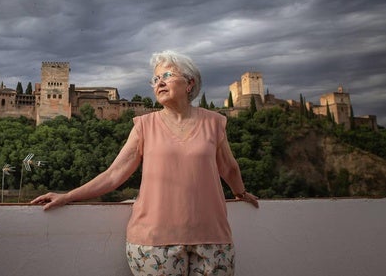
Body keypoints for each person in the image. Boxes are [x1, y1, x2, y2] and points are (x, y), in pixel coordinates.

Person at [31, 50, 259, 276]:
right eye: (156, 79)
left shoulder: (215, 122)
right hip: (153, 243)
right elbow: (114, 174)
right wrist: (67, 196)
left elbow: (228, 167)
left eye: (167, 75)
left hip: (213, 238)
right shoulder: (144, 125)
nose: (159, 82)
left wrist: (240, 192)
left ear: (190, 83)